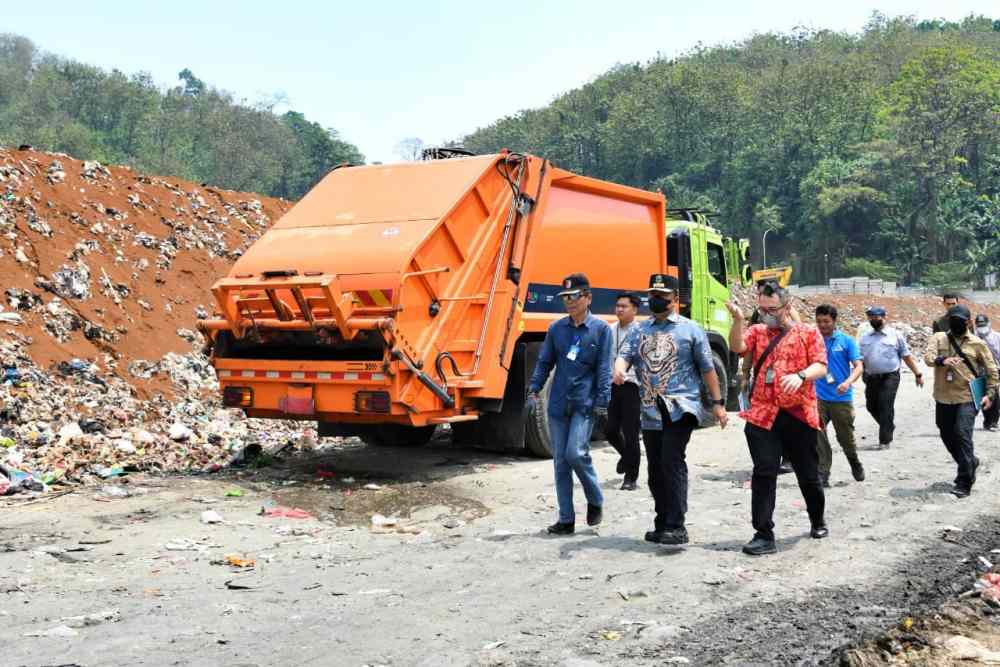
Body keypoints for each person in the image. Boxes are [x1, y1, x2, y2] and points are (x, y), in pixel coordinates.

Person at [615, 274, 727, 545]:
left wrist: (718, 404)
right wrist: (619, 369)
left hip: (681, 406)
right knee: (655, 468)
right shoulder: (639, 330)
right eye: (652, 294)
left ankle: (677, 525)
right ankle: (662, 520)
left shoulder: (691, 330)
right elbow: (625, 355)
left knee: (671, 461)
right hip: (651, 409)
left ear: (675, 299)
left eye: (662, 296)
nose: (656, 300)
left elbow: (707, 368)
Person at [726, 281, 828, 556]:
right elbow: (737, 346)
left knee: (808, 474)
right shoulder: (758, 331)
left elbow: (820, 364)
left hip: (798, 414)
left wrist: (801, 375)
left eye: (772, 309)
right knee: (763, 472)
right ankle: (763, 533)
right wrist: (737, 320)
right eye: (762, 308)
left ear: (787, 306)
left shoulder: (808, 333)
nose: (767, 313)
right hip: (762, 414)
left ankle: (817, 519)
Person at [528, 273, 612, 535]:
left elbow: (605, 369)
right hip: (558, 403)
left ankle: (595, 498)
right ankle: (566, 519)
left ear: (588, 297)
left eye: (574, 296)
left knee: (575, 453)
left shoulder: (601, 330)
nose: (569, 302)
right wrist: (534, 388)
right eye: (565, 297)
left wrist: (602, 401)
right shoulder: (556, 329)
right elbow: (545, 362)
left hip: (584, 404)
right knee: (560, 462)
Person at [923, 305, 998, 497]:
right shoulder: (938, 338)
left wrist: (990, 394)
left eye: (959, 320)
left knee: (962, 434)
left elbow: (991, 371)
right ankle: (970, 461)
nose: (955, 323)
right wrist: (942, 360)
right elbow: (928, 357)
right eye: (952, 319)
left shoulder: (977, 343)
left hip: (968, 396)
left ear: (968, 322)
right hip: (943, 397)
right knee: (947, 435)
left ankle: (965, 480)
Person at [814, 304, 865, 487]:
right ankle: (823, 472)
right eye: (819, 321)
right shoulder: (813, 341)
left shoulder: (846, 341)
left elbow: (859, 366)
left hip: (841, 399)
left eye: (826, 321)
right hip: (818, 397)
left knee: (845, 438)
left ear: (834, 321)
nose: (822, 325)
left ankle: (854, 461)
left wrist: (848, 382)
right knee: (817, 435)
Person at [858, 306, 924, 449]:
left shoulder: (895, 335)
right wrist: (860, 373)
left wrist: (917, 374)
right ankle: (888, 425)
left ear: (883, 317)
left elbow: (906, 356)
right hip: (871, 377)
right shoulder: (864, 338)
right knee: (871, 406)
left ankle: (885, 440)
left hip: (890, 377)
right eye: (871, 317)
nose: (874, 319)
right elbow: (859, 359)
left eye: (877, 316)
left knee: (885, 405)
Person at [607, 292, 643, 490]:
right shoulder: (610, 330)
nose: (619, 309)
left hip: (633, 386)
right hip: (613, 385)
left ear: (635, 310)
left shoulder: (640, 331)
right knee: (610, 430)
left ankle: (631, 478)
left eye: (624, 306)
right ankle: (626, 456)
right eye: (618, 306)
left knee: (631, 433)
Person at [974, 314, 1000, 431]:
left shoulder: (997, 337)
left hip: (996, 369)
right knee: (984, 394)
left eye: (983, 325)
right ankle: (988, 421)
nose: (982, 327)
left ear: (988, 324)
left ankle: (993, 421)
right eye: (979, 325)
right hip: (980, 371)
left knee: (994, 393)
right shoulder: (973, 338)